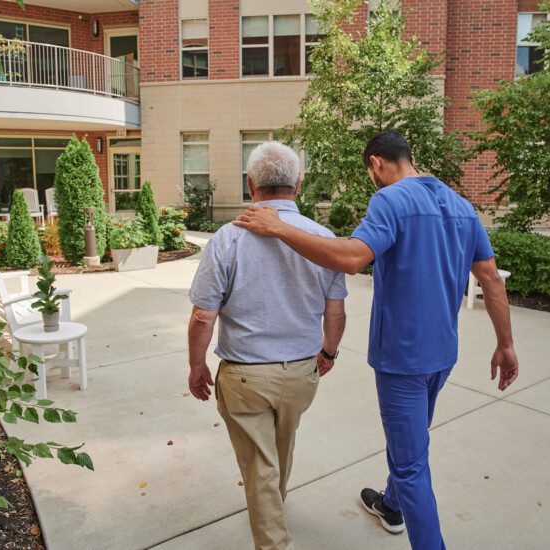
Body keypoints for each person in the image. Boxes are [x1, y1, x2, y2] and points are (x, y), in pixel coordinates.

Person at [233, 130, 519, 550]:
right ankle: (391, 505)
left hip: (402, 360)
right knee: (413, 439)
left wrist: (279, 228)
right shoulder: (461, 206)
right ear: (412, 156)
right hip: (442, 354)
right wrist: (505, 342)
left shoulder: (390, 199)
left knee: (411, 465)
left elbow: (351, 257)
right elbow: (491, 277)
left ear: (376, 164)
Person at [187, 141, 347, 550]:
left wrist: (197, 365)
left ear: (250, 184)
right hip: (301, 371)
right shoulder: (324, 238)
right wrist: (328, 352)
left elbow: (204, 315)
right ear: (298, 184)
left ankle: (273, 539)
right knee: (282, 444)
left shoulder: (227, 238)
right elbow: (336, 313)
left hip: (244, 374)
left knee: (260, 465)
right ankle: (273, 506)